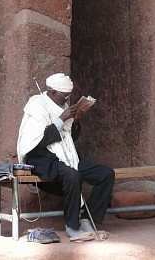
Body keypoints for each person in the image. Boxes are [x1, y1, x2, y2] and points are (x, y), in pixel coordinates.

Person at [17, 73, 115, 238]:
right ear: (53, 92)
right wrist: (61, 119)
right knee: (72, 176)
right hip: (43, 158)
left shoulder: (62, 106)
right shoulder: (36, 105)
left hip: (67, 155)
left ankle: (85, 219)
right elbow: (40, 141)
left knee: (106, 174)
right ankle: (72, 226)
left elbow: (70, 138)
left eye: (69, 95)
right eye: (65, 95)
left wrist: (75, 121)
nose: (67, 99)